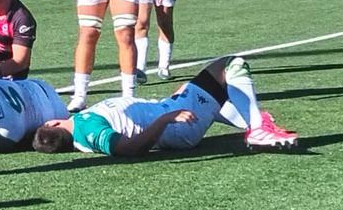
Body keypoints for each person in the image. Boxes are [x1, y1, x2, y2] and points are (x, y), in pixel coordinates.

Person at [30, 56, 299, 156]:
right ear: (53, 123)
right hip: (174, 127)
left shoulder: (82, 127)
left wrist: (167, 108)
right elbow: (126, 149)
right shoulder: (87, 128)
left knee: (198, 92)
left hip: (169, 114)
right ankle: (257, 127)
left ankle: (252, 120)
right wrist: (165, 119)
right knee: (230, 65)